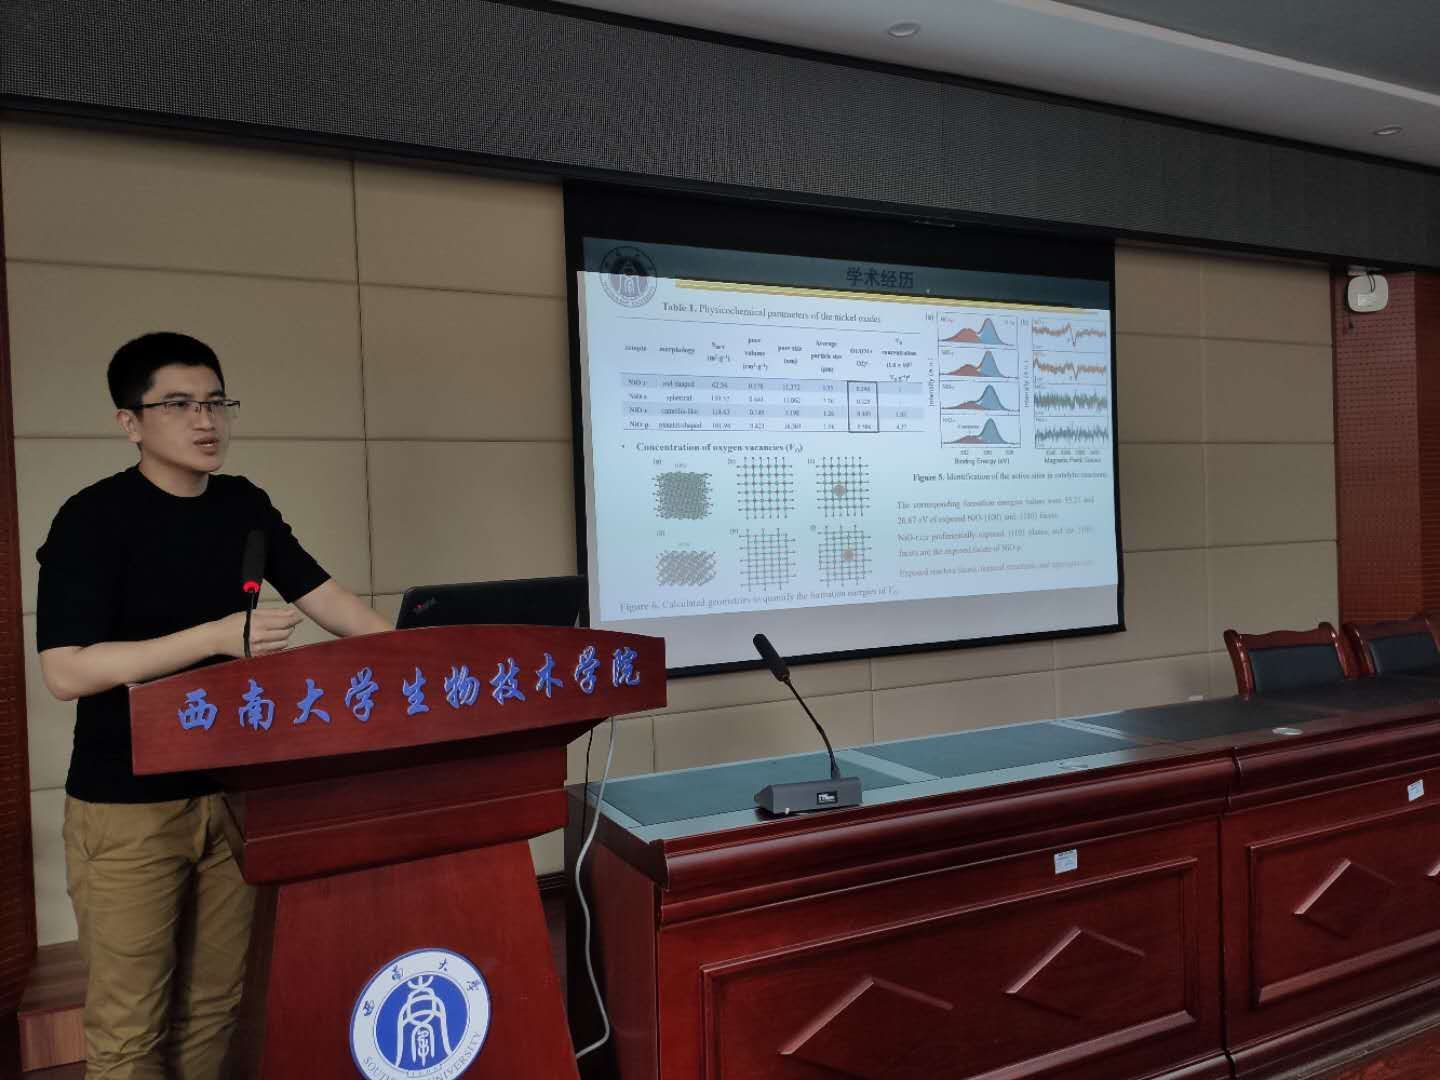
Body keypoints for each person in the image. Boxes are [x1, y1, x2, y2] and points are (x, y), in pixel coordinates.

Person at [36, 332, 392, 1079]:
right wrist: (217, 636)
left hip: (236, 791)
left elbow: (330, 602)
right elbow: (66, 671)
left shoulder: (243, 505)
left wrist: (433, 653)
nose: (206, 420)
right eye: (179, 404)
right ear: (130, 423)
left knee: (213, 1007)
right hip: (128, 804)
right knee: (130, 1026)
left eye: (216, 402)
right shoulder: (93, 518)